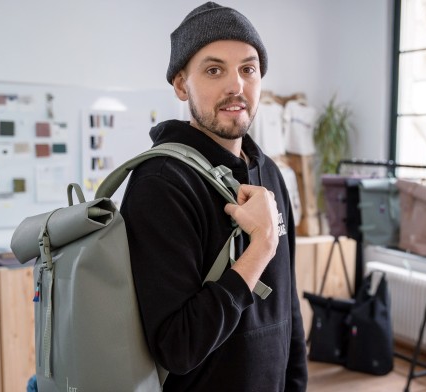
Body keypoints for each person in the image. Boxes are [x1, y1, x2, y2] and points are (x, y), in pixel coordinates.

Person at [120, 2, 308, 391]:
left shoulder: (270, 173)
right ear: (181, 84)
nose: (236, 85)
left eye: (248, 69)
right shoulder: (160, 183)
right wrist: (261, 248)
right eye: (213, 70)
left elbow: (287, 308)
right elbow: (176, 346)